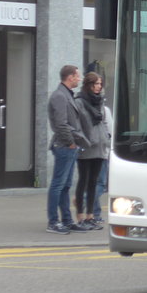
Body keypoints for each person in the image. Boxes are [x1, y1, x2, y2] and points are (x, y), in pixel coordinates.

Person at [46, 65, 90, 234]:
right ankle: (53, 221)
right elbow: (60, 124)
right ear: (70, 77)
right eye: (77, 76)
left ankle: (66, 220)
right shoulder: (59, 96)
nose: (79, 79)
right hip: (64, 146)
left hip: (70, 146)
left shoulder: (66, 95)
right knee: (58, 185)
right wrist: (71, 142)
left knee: (65, 186)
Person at [74, 73, 110, 231]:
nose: (99, 86)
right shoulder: (80, 102)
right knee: (83, 181)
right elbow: (77, 125)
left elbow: (103, 123)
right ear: (88, 84)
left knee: (94, 182)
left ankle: (91, 216)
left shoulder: (100, 101)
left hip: (100, 146)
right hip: (87, 146)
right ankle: (80, 216)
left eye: (100, 83)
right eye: (96, 83)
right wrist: (84, 140)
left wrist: (106, 138)